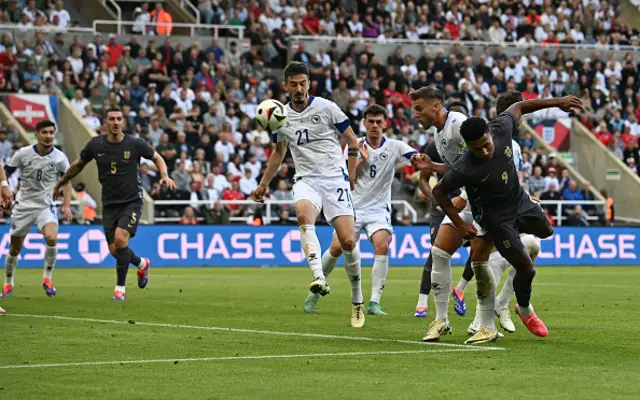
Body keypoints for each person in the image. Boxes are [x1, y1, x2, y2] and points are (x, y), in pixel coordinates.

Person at [429, 96, 583, 343]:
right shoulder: (465, 166)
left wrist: (558, 102)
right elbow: (439, 192)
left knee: (546, 232)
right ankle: (523, 309)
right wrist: (459, 223)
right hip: (494, 219)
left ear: (491, 133)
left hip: (519, 201)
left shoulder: (501, 128)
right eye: (476, 149)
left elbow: (520, 106)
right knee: (526, 268)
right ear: (467, 147)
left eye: (486, 144)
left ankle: (504, 305)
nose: (485, 151)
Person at [251, 62, 365, 328]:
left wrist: (350, 174)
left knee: (347, 242)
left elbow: (351, 141)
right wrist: (263, 184)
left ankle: (357, 299)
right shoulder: (279, 115)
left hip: (335, 179)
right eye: (294, 84)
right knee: (303, 214)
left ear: (309, 84)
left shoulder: (327, 107)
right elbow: (279, 153)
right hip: (306, 180)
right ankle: (318, 277)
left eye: (303, 83)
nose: (299, 89)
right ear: (286, 86)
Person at [303, 104, 418, 316]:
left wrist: (423, 161)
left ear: (385, 123)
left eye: (378, 122)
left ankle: (374, 302)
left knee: (382, 245)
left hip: (378, 209)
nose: (374, 126)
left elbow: (415, 157)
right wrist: (362, 160)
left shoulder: (395, 146)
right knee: (337, 247)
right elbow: (347, 177)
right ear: (364, 124)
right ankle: (316, 291)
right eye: (370, 122)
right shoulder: (354, 146)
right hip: (352, 206)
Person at [54, 107, 177, 301]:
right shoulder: (96, 145)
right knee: (115, 250)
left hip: (132, 201)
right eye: (111, 119)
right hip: (109, 203)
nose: (116, 122)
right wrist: (61, 183)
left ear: (123, 122)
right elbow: (78, 165)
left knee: (121, 240)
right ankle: (142, 264)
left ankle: (120, 289)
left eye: (119, 119)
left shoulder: (135, 144)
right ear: (105, 122)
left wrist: (164, 175)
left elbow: (157, 158)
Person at [409, 86, 486, 342]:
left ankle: (485, 321)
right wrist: (432, 166)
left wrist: (462, 196)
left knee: (486, 261)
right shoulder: (438, 133)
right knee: (439, 253)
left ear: (435, 106)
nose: (415, 114)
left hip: (486, 200)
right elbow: (456, 167)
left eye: (419, 108)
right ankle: (441, 320)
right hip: (468, 198)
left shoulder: (459, 125)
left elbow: (479, 160)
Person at [1, 120, 72, 298]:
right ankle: (8, 282)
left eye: (51, 133)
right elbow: (5, 171)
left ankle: (47, 279)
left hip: (45, 206)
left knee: (51, 237)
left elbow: (67, 180)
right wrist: (4, 189)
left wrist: (66, 204)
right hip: (23, 206)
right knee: (15, 248)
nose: (49, 136)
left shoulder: (60, 157)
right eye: (45, 133)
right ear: (37, 135)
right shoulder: (23, 154)